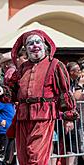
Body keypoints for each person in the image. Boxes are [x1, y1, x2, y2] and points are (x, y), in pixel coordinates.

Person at [6, 30, 77, 165]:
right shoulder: (21, 69)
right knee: (23, 158)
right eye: (30, 43)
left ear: (44, 45)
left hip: (43, 117)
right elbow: (12, 91)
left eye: (38, 42)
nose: (35, 45)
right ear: (26, 49)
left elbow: (65, 92)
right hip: (23, 117)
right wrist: (2, 91)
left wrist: (69, 117)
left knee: (36, 157)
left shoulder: (55, 65)